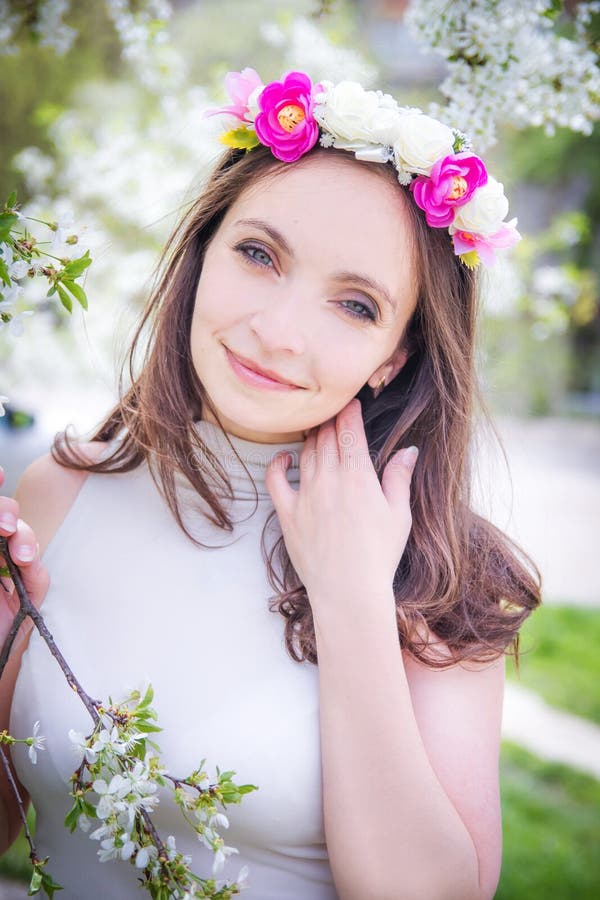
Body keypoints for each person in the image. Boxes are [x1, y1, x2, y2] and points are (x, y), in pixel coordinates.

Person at [0, 70, 541, 900]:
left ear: (394, 356)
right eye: (259, 255)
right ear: (203, 250)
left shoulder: (440, 577)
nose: (278, 333)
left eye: (355, 305)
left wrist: (353, 595)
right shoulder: (62, 491)